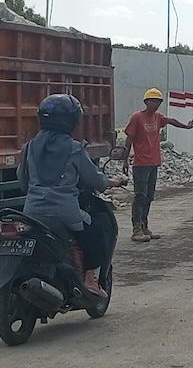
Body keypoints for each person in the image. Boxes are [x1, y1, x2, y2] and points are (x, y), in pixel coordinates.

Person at [19, 94, 122, 299]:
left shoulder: (29, 147)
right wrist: (112, 181)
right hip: (64, 212)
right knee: (96, 232)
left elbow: (23, 181)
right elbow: (94, 179)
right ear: (73, 120)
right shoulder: (73, 148)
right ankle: (90, 279)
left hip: (31, 212)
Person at [122, 88, 193, 243]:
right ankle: (136, 229)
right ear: (146, 102)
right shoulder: (137, 118)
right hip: (140, 164)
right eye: (153, 101)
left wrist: (186, 126)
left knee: (149, 196)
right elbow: (129, 140)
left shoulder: (157, 118)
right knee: (140, 196)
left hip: (153, 162)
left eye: (158, 101)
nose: (156, 104)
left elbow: (171, 121)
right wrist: (124, 160)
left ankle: (144, 226)